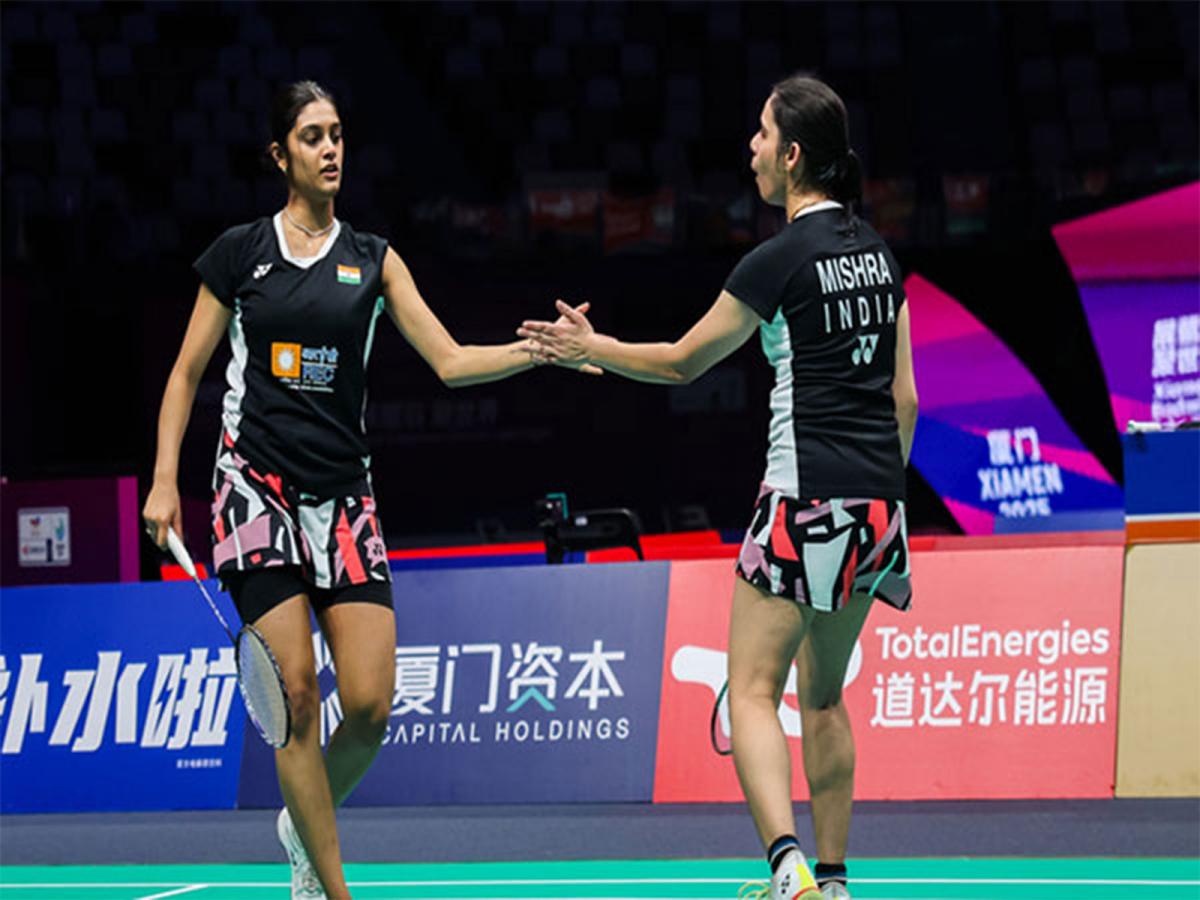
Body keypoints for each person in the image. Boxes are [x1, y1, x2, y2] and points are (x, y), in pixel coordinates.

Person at [142, 80, 589, 900]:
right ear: (280, 155)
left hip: (344, 497)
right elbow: (184, 373)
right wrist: (166, 478)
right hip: (255, 491)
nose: (330, 150)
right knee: (296, 697)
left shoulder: (374, 259)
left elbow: (450, 361)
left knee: (372, 705)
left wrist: (541, 351)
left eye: (338, 134)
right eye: (312, 137)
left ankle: (300, 822)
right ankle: (331, 886)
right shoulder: (240, 255)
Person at [519, 73, 917, 900]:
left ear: (793, 155)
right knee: (825, 698)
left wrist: (592, 348)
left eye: (763, 134)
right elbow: (905, 399)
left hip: (803, 497)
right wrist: (877, 495)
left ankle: (787, 870)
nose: (752, 148)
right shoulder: (882, 256)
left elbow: (681, 362)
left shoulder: (777, 261)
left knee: (753, 692)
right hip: (879, 504)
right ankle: (835, 882)